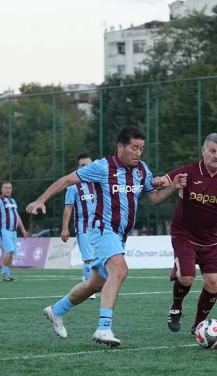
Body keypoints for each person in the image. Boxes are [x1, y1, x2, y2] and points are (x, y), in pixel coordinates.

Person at [26, 126, 186, 347]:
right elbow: (66, 180)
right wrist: (40, 200)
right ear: (120, 146)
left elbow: (156, 199)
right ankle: (103, 328)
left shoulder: (141, 170)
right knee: (119, 270)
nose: (138, 153)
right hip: (102, 229)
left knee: (95, 283)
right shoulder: (102, 167)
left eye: (141, 149)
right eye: (134, 148)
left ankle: (56, 310)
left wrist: (173, 187)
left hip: (120, 235)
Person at [151, 133, 217, 335]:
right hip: (183, 234)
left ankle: (198, 325)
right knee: (187, 277)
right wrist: (159, 180)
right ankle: (176, 308)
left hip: (210, 240)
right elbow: (164, 180)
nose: (216, 156)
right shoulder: (188, 171)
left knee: (213, 282)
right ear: (203, 150)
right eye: (212, 151)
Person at [61, 153, 97, 299]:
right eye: (83, 166)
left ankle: (88, 280)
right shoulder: (73, 186)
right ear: (78, 168)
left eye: (88, 165)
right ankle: (89, 288)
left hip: (100, 226)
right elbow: (68, 207)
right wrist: (65, 228)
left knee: (100, 259)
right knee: (89, 258)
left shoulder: (98, 182)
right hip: (83, 227)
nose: (86, 168)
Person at [0, 181, 28, 281]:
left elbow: (17, 215)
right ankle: (4, 273)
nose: (8, 190)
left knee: (11, 252)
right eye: (6, 188)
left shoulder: (13, 201)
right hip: (3, 230)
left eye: (10, 188)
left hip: (13, 231)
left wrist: (23, 228)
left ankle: (7, 274)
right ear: (1, 189)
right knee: (9, 250)